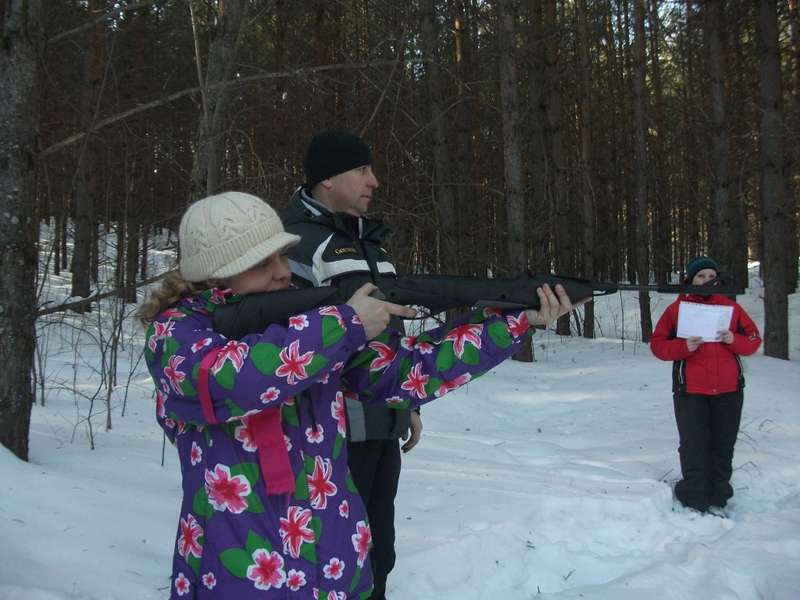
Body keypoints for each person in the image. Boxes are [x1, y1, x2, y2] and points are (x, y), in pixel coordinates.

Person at [137, 190, 575, 599]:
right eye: (260, 263)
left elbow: (407, 371)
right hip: (239, 576)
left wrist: (513, 322)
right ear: (214, 276)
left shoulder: (308, 320)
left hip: (337, 566)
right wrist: (344, 324)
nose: (283, 272)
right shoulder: (176, 337)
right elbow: (233, 379)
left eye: (282, 255)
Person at [281, 131, 413, 599]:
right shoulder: (296, 245)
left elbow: (388, 334)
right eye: (361, 170)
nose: (373, 181)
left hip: (381, 425)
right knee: (334, 558)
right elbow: (290, 340)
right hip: (329, 435)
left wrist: (407, 402)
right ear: (326, 179)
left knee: (381, 552)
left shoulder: (371, 244)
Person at [651, 256, 761, 513]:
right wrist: (683, 347)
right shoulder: (677, 310)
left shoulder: (731, 308)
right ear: (690, 280)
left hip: (729, 390)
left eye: (711, 276)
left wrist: (734, 339)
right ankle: (693, 497)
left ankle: (718, 496)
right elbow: (657, 345)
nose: (707, 281)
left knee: (723, 444)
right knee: (694, 444)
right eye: (701, 277)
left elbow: (753, 340)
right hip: (690, 391)